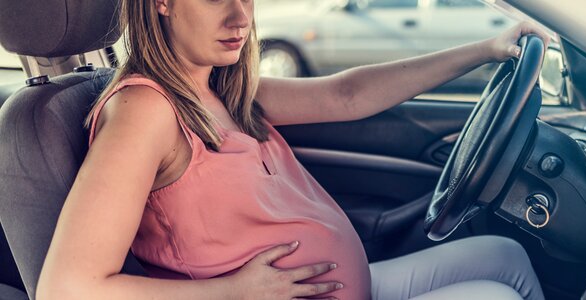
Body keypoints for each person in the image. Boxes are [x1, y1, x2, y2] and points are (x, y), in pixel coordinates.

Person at [36, 0, 550, 299]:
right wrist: (232, 292)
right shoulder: (144, 112)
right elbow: (69, 287)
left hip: (347, 284)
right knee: (497, 296)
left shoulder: (218, 89)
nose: (241, 16)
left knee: (505, 255)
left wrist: (485, 51)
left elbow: (345, 94)